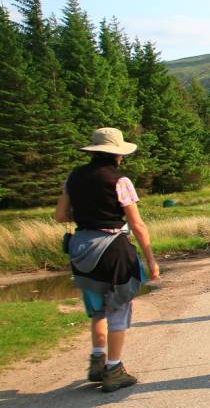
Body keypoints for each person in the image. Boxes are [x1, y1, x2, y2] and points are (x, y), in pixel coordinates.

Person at [54, 127, 159, 393]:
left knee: (98, 308)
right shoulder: (119, 180)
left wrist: (86, 213)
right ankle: (114, 369)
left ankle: (97, 360)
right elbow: (137, 224)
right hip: (112, 250)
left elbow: (60, 215)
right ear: (116, 154)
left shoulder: (73, 177)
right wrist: (150, 259)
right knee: (119, 308)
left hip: (82, 249)